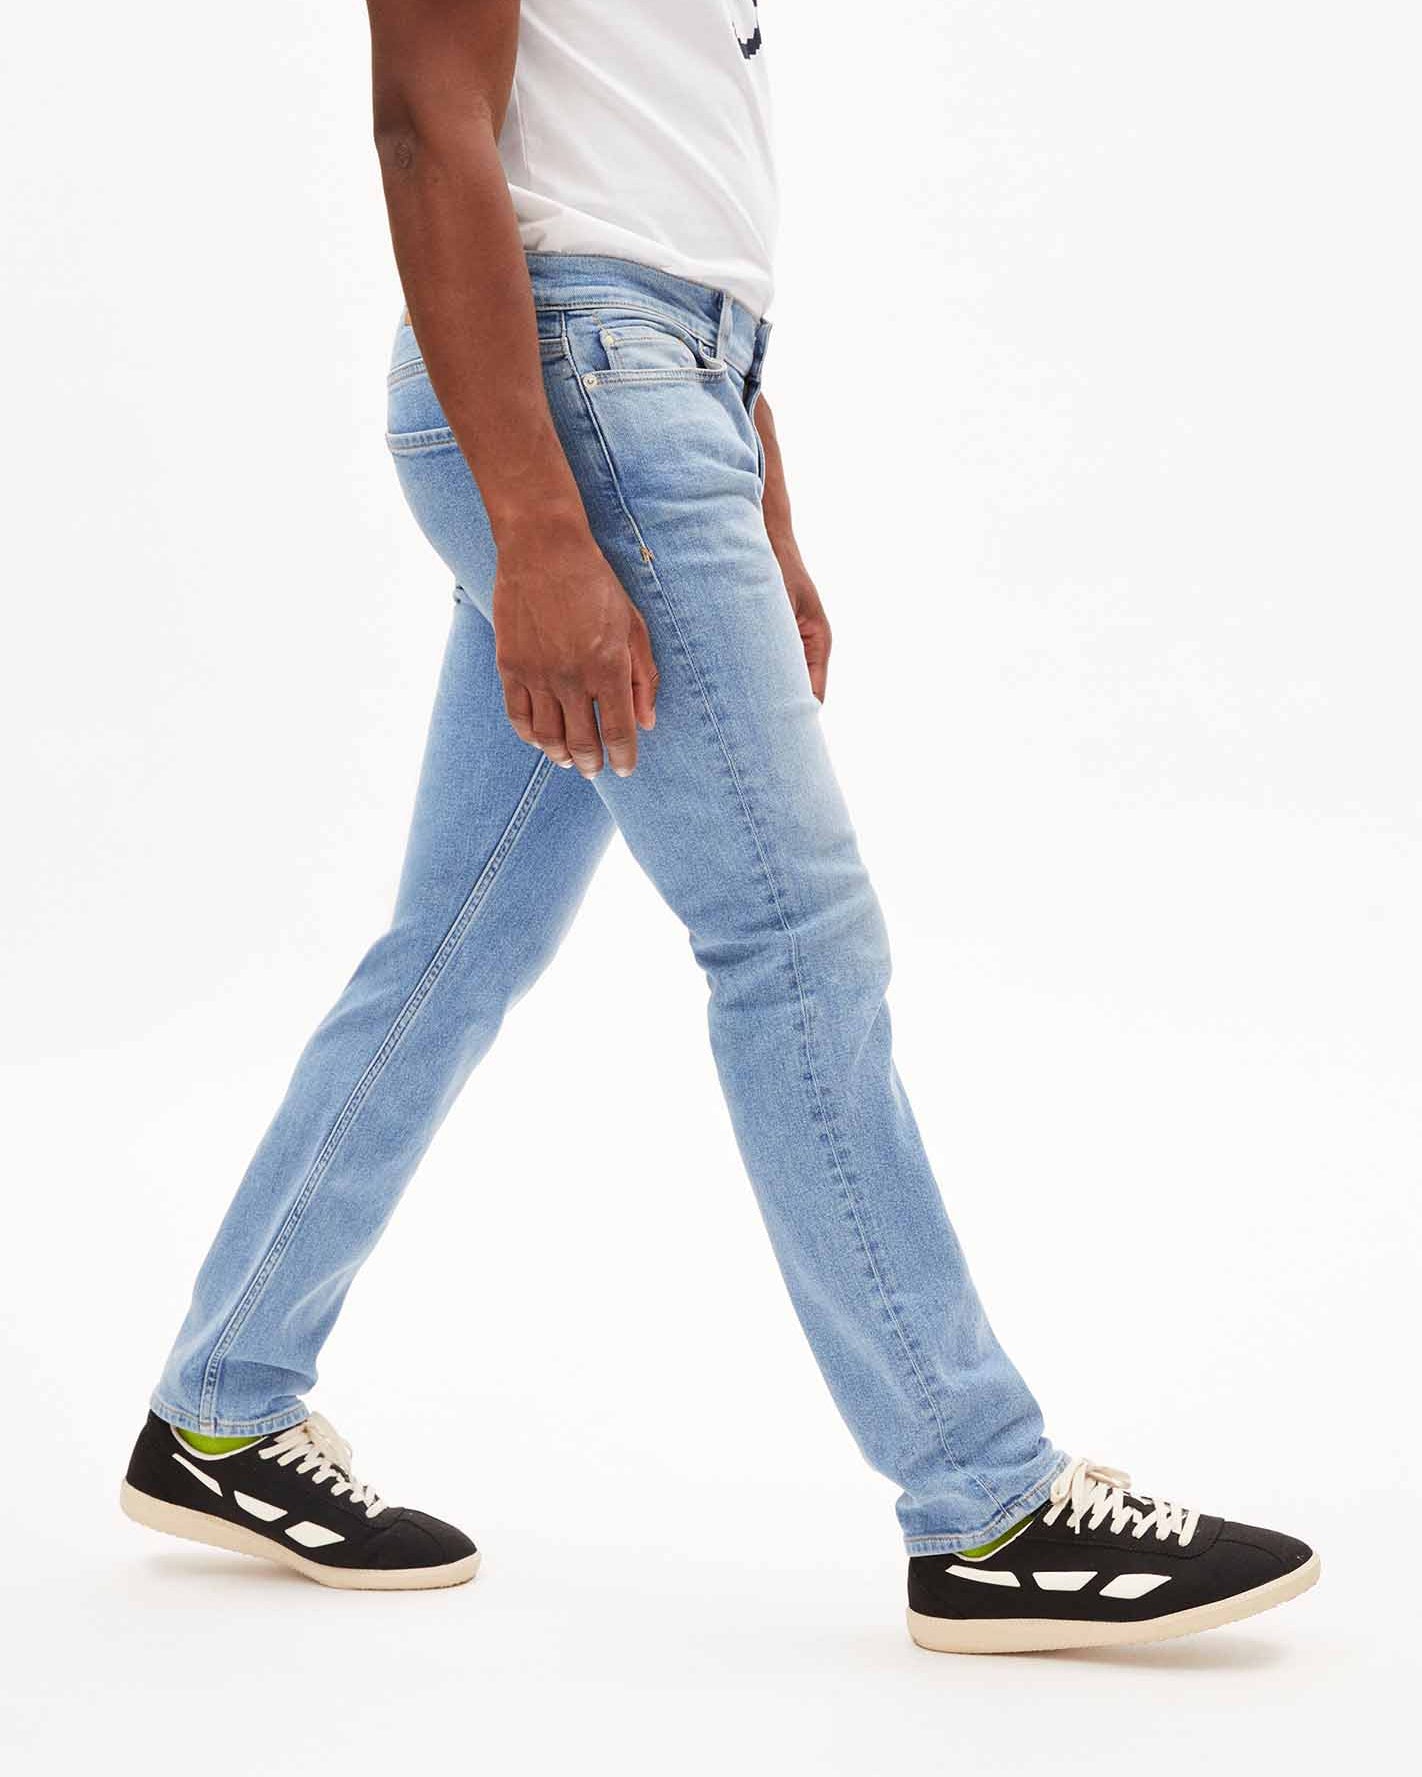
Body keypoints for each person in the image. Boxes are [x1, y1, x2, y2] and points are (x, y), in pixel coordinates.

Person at [120, 0, 1318, 1651]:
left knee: (458, 941)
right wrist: (542, 522)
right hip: (580, 391)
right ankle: (983, 1499)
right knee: (792, 941)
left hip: (661, 387)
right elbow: (425, 122)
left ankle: (220, 1405)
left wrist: (762, 493)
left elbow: (661, 172)